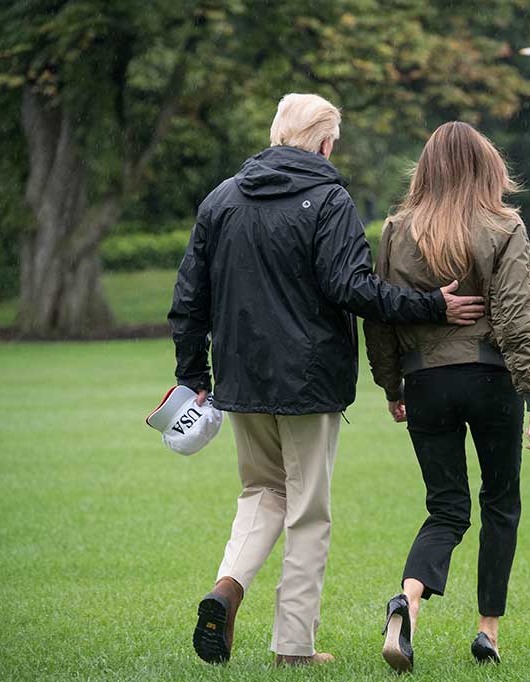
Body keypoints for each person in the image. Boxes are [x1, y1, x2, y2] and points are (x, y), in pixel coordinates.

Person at [168, 94, 487, 667]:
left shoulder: (221, 199)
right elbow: (353, 289)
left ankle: (228, 587)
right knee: (308, 512)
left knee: (261, 491)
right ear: (324, 142)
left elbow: (188, 300)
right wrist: (431, 306)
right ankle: (294, 646)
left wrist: (193, 375)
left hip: (240, 381)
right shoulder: (329, 200)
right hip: (309, 383)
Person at [364, 121, 530, 672]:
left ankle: (410, 602)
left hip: (425, 383)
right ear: (485, 167)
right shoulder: (503, 225)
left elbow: (379, 313)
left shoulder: (397, 229)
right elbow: (517, 314)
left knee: (445, 508)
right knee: (501, 502)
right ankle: (487, 631)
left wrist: (391, 383)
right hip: (492, 380)